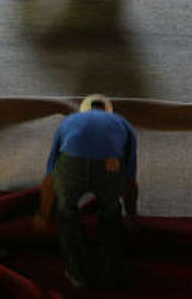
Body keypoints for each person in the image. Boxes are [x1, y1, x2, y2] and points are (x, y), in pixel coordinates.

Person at [34, 94, 138, 289]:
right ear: (109, 111)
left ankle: (77, 274)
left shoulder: (69, 121)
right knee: (110, 213)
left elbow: (49, 177)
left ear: (83, 110)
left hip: (72, 165)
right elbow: (130, 181)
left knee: (66, 213)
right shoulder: (122, 123)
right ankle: (111, 273)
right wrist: (132, 216)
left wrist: (43, 215)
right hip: (110, 166)